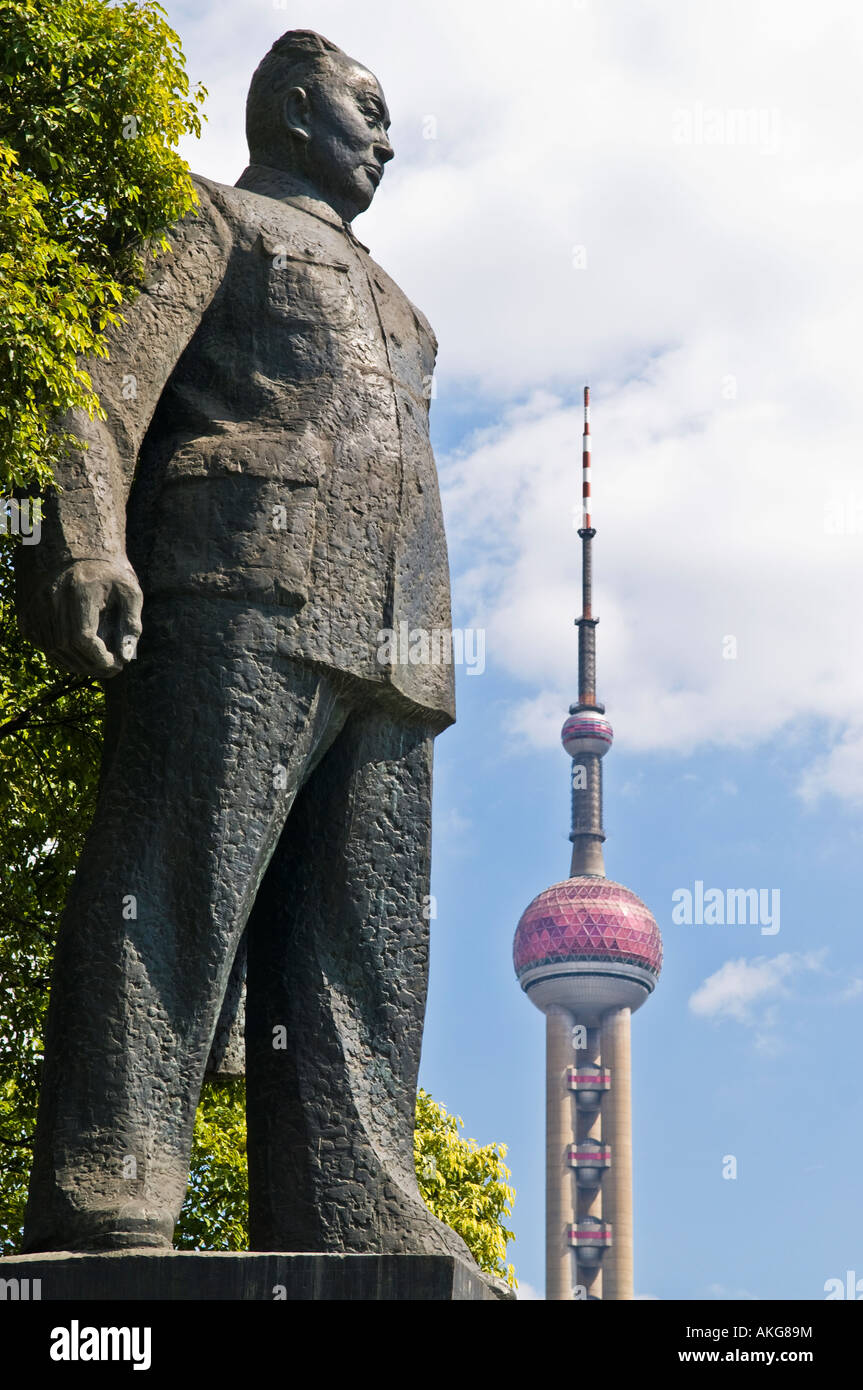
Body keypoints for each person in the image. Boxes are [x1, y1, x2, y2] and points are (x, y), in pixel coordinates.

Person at [16, 29, 469, 1263]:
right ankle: (112, 1184)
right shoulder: (213, 220)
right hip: (239, 593)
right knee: (169, 884)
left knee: (369, 932)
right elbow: (99, 387)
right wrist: (81, 545)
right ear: (287, 104)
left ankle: (352, 1193)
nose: (385, 136)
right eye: (365, 107)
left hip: (391, 635)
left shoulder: (403, 307)